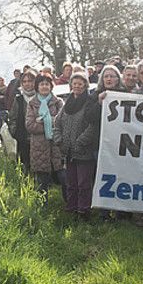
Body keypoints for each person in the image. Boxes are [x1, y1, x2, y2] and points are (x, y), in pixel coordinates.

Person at [54, 72, 100, 219]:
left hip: (83, 150)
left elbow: (92, 126)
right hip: (68, 151)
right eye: (75, 84)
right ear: (71, 85)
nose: (77, 86)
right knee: (71, 182)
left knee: (84, 183)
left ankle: (84, 209)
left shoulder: (89, 102)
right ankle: (71, 207)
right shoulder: (67, 103)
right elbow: (57, 123)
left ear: (85, 85)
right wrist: (58, 139)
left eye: (80, 84)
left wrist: (81, 142)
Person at [25, 74, 64, 192]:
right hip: (39, 146)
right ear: (37, 87)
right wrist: (49, 123)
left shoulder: (58, 102)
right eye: (41, 84)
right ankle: (42, 206)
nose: (44, 87)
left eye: (47, 84)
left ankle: (70, 205)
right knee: (42, 180)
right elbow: (30, 125)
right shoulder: (32, 104)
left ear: (51, 86)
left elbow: (63, 121)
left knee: (64, 177)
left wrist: (46, 121)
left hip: (57, 144)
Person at [10, 69, 37, 174]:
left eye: (30, 81)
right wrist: (13, 131)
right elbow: (12, 117)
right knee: (24, 163)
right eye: (24, 81)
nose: (27, 84)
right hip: (22, 136)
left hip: (38, 137)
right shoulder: (19, 99)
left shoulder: (41, 97)